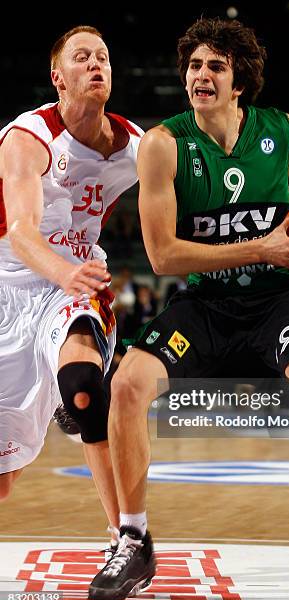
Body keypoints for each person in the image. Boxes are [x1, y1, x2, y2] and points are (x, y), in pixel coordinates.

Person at [89, 18, 289, 600]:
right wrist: (263, 245)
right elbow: (162, 256)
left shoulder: (279, 130)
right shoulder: (164, 144)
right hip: (208, 301)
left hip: (284, 295)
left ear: (239, 83)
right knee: (127, 385)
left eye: (215, 67)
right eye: (194, 66)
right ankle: (133, 539)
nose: (200, 76)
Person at [0, 25, 145, 558]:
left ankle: (128, 539)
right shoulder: (28, 136)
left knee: (85, 390)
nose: (96, 64)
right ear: (58, 77)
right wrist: (61, 273)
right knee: (4, 478)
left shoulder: (137, 146)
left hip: (77, 283)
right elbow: (20, 232)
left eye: (103, 56)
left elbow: (198, 183)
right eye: (82, 57)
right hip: (11, 285)